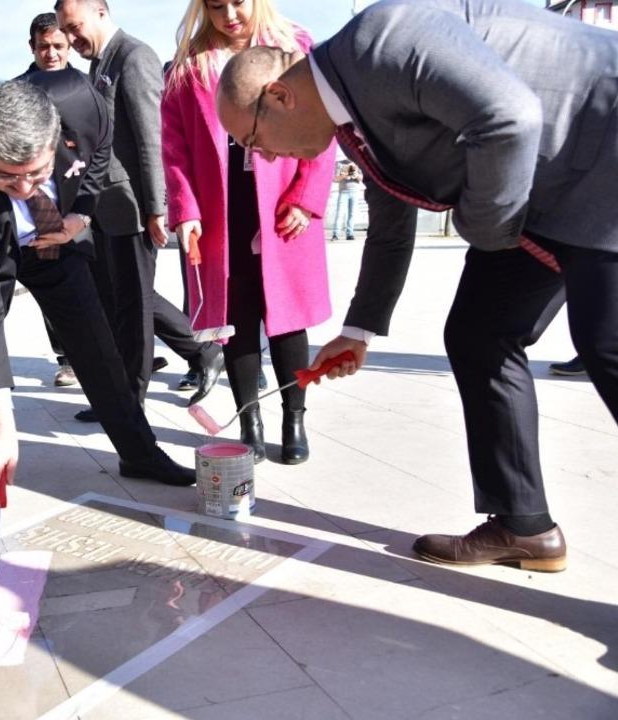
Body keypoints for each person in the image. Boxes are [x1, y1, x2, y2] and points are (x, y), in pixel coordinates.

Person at [215, 0, 618, 572]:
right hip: (544, 187)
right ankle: (523, 524)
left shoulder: (383, 38)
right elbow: (393, 223)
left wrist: (487, 233)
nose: (261, 157)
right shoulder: (348, 114)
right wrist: (357, 331)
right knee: (480, 333)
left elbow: (510, 117)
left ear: (280, 96)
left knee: (607, 343)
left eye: (253, 139)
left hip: (603, 145)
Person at [0, 77, 195, 548]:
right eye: (4, 176)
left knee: (94, 338)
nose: (21, 188)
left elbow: (99, 155)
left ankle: (140, 452)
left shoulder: (85, 106)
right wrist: (1, 419)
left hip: (52, 234)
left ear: (57, 137)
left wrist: (80, 212)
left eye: (35, 173)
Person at [162, 0, 334, 464]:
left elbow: (325, 124)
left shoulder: (293, 47)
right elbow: (174, 144)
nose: (230, 15)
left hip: (281, 197)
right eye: (217, 6)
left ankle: (294, 416)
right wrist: (185, 208)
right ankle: (249, 420)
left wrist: (307, 197)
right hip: (222, 203)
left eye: (238, 2)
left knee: (287, 317)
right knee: (235, 319)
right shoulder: (189, 63)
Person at [55, 0, 225, 423]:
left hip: (134, 206)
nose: (72, 41)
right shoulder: (100, 65)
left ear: (99, 11)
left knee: (132, 307)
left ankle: (129, 402)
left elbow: (154, 136)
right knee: (126, 300)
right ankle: (200, 351)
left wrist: (157, 207)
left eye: (75, 29)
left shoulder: (134, 56)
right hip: (108, 206)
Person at [17, 12, 79, 388]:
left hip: (82, 199)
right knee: (51, 277)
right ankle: (68, 358)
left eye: (58, 46)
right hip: (42, 203)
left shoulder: (83, 86)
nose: (51, 54)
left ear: (69, 45)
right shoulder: (20, 91)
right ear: (32, 48)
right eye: (44, 47)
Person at [330, 160, 360, 241]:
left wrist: (355, 174)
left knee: (352, 214)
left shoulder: (357, 161)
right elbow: (335, 179)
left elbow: (361, 179)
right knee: (339, 213)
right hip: (343, 192)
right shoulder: (339, 163)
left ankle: (350, 234)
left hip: (355, 192)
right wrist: (344, 174)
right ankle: (336, 234)